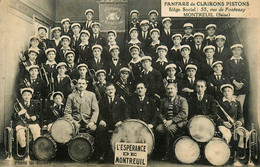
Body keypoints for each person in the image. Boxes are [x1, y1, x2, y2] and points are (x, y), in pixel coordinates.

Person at [155, 83, 188, 160]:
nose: (170, 90)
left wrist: (172, 121)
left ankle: (169, 153)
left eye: (171, 88)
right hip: (166, 122)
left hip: (178, 122)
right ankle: (160, 153)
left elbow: (184, 113)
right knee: (158, 129)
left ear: (176, 90)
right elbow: (159, 112)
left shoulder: (182, 100)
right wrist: (163, 120)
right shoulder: (164, 100)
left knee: (169, 130)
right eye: (168, 89)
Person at [96, 83, 128, 161]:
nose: (110, 91)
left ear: (115, 90)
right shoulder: (101, 101)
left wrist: (121, 121)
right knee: (100, 130)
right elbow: (98, 112)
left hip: (117, 123)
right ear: (106, 91)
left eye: (112, 89)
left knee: (122, 131)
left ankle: (117, 154)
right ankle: (103, 153)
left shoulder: (120, 101)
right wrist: (101, 120)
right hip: (106, 123)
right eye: (108, 90)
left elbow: (125, 113)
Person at [13, 88, 41, 154]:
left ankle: (36, 149)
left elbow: (39, 114)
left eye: (28, 95)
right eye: (25, 95)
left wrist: (35, 117)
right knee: (19, 131)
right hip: (21, 122)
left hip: (32, 122)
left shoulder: (35, 103)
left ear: (31, 96)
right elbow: (13, 116)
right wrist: (19, 113)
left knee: (36, 129)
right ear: (22, 96)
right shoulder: (17, 104)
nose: (26, 96)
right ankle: (23, 149)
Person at [224, 44, 249, 109]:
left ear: (241, 51)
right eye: (235, 50)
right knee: (232, 106)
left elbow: (246, 74)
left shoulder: (244, 61)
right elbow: (227, 74)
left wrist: (241, 84)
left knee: (240, 106)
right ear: (232, 51)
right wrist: (234, 82)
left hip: (242, 88)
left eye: (238, 50)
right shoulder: (228, 61)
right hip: (232, 87)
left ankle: (240, 119)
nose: (236, 52)